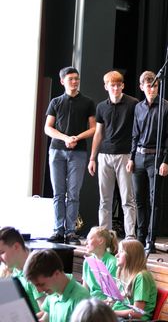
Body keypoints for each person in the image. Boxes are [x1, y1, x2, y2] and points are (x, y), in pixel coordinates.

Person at [44, 66, 96, 245]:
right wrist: (65, 138)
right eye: (71, 79)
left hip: (78, 152)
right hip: (57, 150)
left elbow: (94, 128)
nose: (74, 82)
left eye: (76, 78)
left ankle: (71, 232)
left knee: (73, 193)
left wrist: (76, 138)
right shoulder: (56, 102)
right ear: (62, 81)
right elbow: (48, 127)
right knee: (59, 193)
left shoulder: (88, 102)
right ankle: (58, 230)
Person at [128, 71, 168, 254]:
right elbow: (134, 134)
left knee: (154, 199)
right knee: (139, 199)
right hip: (139, 156)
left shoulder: (167, 107)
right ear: (142, 87)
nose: (152, 89)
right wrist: (131, 158)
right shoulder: (138, 107)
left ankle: (151, 239)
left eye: (155, 86)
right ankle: (140, 238)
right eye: (148, 86)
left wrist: (166, 161)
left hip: (156, 157)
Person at [88, 70, 138, 239]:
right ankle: (105, 236)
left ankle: (130, 235)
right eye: (112, 85)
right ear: (106, 87)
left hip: (125, 155)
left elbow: (137, 131)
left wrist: (133, 156)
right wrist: (92, 158)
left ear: (123, 85)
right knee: (105, 200)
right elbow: (98, 133)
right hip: (105, 155)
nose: (115, 88)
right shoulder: (101, 107)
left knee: (127, 199)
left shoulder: (133, 104)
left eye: (118, 85)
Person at [24, 249, 90, 322]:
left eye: (42, 284)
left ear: (57, 274)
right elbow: (45, 319)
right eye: (35, 286)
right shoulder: (53, 291)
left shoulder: (81, 299)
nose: (39, 291)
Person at [0, 227, 43, 313]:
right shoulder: (9, 270)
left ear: (16, 247)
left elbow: (46, 313)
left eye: (1, 252)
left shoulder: (36, 272)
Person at [111, 239, 157, 320]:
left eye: (121, 251)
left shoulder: (142, 276)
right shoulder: (123, 273)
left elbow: (137, 313)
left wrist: (110, 313)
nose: (116, 255)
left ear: (131, 256)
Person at [82, 226, 118, 299]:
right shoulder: (87, 261)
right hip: (90, 303)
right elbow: (85, 289)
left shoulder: (113, 263)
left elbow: (113, 296)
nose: (86, 242)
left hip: (105, 305)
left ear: (101, 241)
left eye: (89, 239)